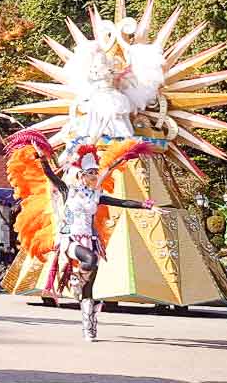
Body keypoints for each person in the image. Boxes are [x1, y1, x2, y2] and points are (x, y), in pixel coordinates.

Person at [11, 133, 164, 341]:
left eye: (95, 172)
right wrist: (42, 157)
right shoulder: (67, 192)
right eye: (90, 172)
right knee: (89, 260)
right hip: (69, 240)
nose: (94, 175)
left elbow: (122, 203)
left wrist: (147, 206)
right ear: (81, 175)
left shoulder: (96, 195)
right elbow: (50, 176)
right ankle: (75, 280)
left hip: (90, 240)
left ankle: (89, 328)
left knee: (90, 289)